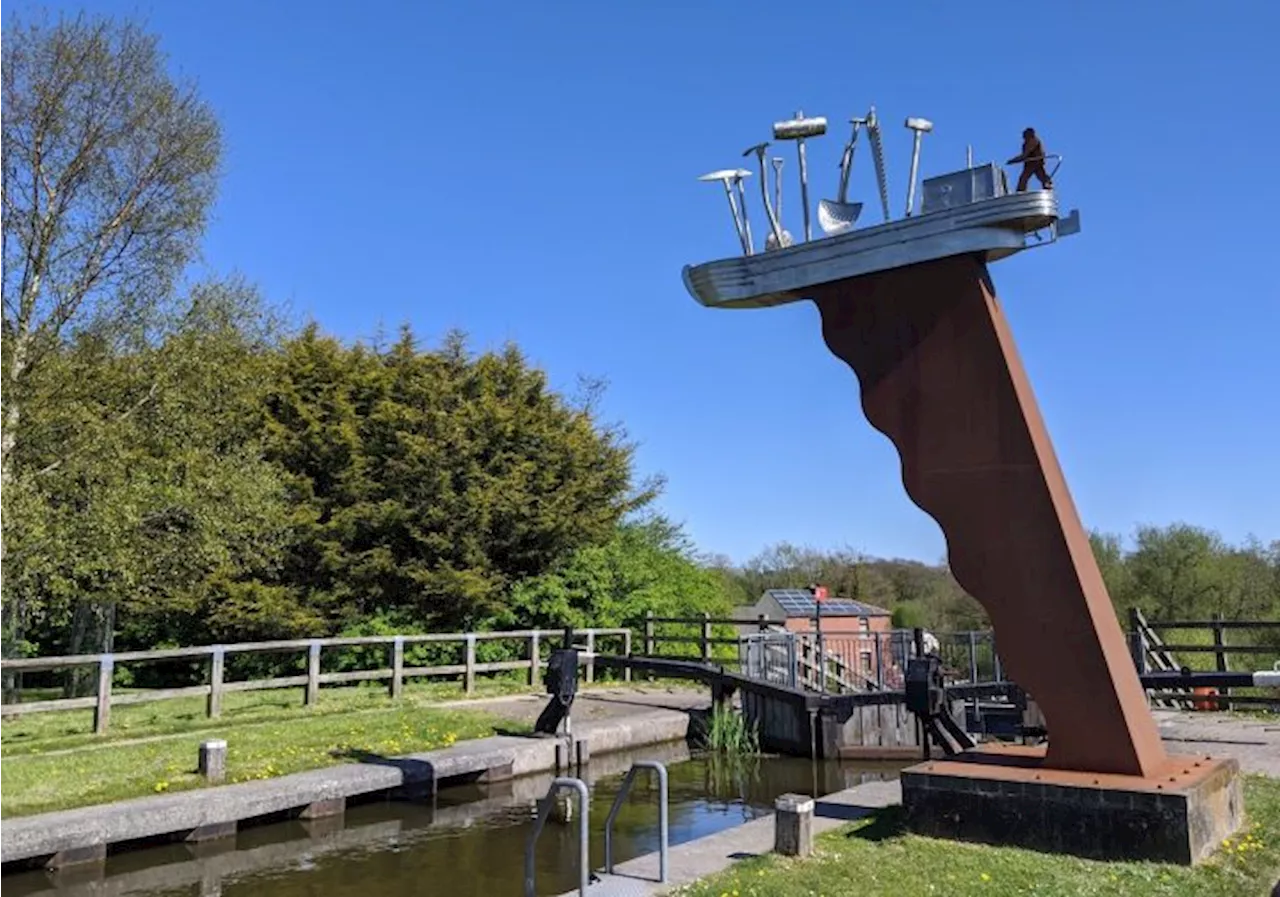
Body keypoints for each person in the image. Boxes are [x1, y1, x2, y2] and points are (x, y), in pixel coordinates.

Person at [1007, 127, 1053, 192]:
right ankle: (1021, 191)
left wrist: (1014, 160)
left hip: (1034, 162)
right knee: (1035, 177)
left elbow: (1025, 155)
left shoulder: (1033, 141)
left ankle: (1021, 191)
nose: (1023, 137)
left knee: (1025, 178)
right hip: (1030, 162)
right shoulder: (1026, 143)